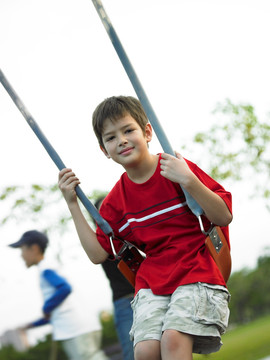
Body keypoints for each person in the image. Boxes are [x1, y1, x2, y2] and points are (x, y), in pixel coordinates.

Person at [58, 95, 233, 360]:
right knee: (145, 350)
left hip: (198, 269)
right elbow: (97, 255)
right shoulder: (116, 201)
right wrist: (72, 204)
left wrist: (190, 181)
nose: (122, 140)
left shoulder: (176, 169)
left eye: (128, 130)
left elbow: (224, 216)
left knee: (173, 338)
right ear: (104, 150)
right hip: (154, 281)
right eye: (111, 137)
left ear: (148, 132)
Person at [9, 230, 109, 360]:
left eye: (22, 250)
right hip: (79, 327)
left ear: (34, 248)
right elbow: (54, 313)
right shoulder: (46, 268)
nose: (21, 256)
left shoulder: (45, 269)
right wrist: (30, 325)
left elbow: (64, 288)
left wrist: (46, 307)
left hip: (76, 329)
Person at [94, 196, 134, 360]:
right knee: (133, 354)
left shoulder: (133, 228)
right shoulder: (100, 241)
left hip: (151, 294)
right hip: (125, 302)